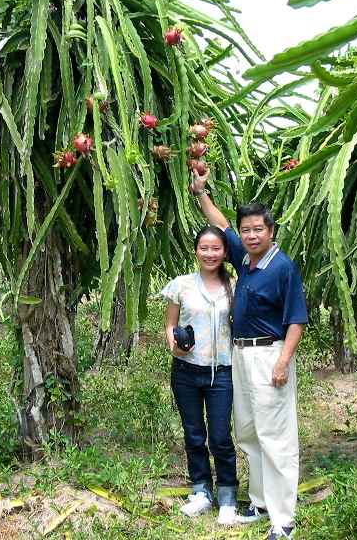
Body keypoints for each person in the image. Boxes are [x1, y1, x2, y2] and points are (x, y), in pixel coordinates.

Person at [190, 169, 308, 540]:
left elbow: (296, 319)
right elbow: (221, 224)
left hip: (269, 355)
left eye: (258, 229)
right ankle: (258, 503)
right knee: (249, 432)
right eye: (247, 230)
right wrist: (200, 192)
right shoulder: (245, 260)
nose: (251, 235)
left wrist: (283, 361)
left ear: (270, 231)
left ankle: (283, 520)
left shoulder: (282, 267)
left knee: (276, 437)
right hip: (240, 356)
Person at [161, 225, 238, 525]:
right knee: (194, 434)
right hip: (186, 371)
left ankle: (228, 497)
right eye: (204, 248)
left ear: (224, 252)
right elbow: (170, 324)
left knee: (220, 437)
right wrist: (173, 344)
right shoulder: (180, 285)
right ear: (196, 250)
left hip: (222, 373)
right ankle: (201, 492)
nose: (210, 253)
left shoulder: (233, 284)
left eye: (216, 248)